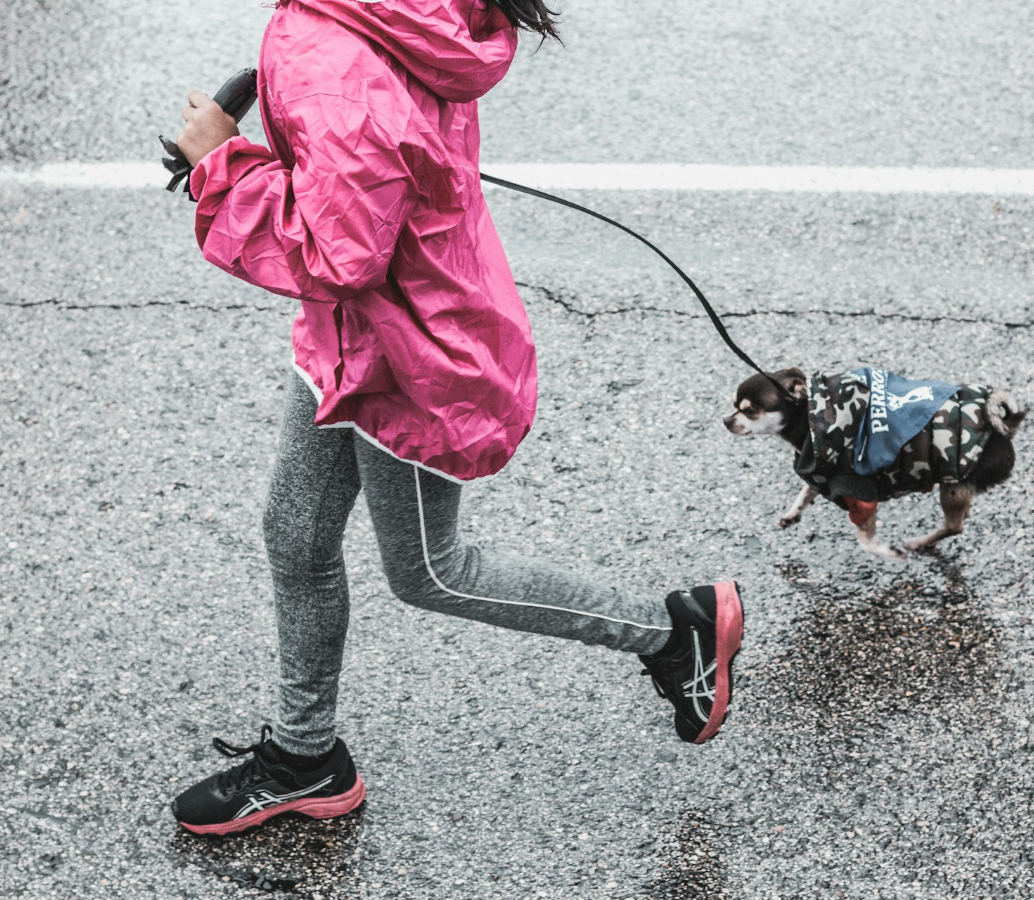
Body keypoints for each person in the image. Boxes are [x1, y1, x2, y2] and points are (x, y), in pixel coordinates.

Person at [170, 0, 744, 836]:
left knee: (432, 572)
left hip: (410, 354)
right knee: (295, 535)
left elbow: (341, 251)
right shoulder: (386, 17)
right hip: (359, 329)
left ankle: (673, 631)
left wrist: (220, 168)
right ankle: (306, 759)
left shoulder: (335, 60)